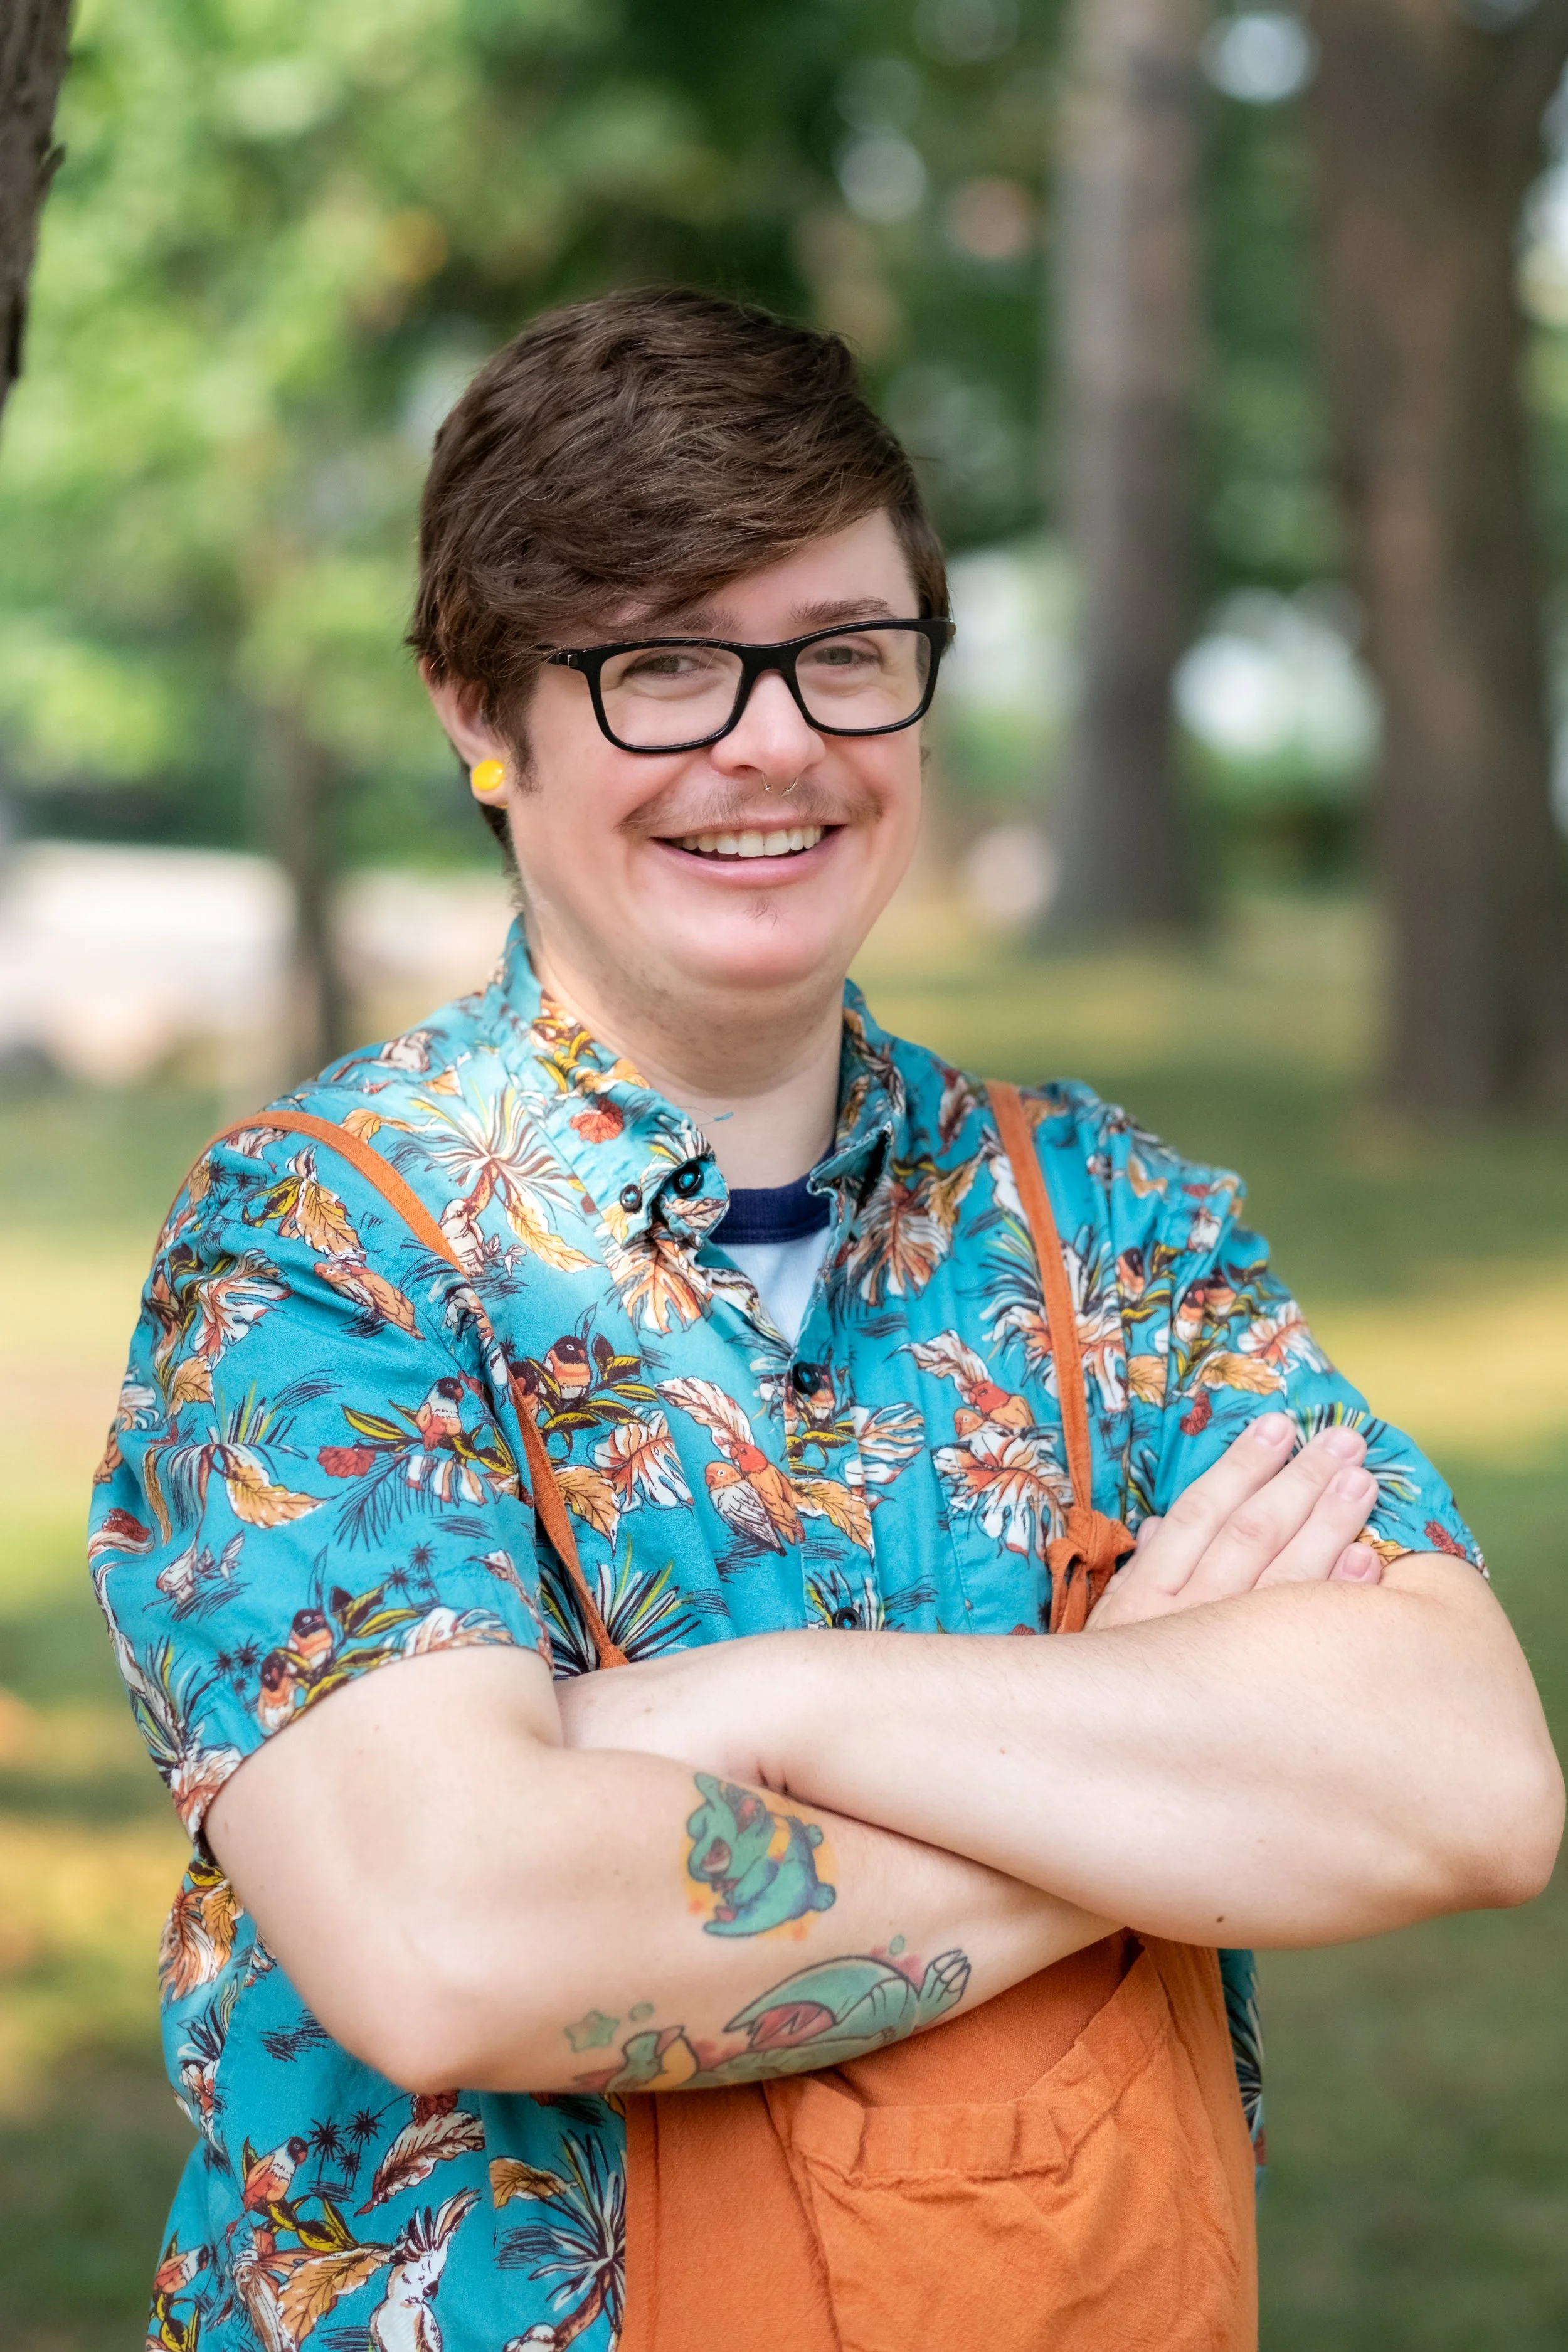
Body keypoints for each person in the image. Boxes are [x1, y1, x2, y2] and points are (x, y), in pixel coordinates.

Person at [92, 287, 1561, 2352]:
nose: (772, 741)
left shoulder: (1113, 1228)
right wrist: (1132, 1791)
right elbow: (453, 1936)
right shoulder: (326, 1255)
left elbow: (1460, 1783)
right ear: (477, 712)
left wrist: (769, 1702)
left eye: (843, 656)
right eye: (662, 664)